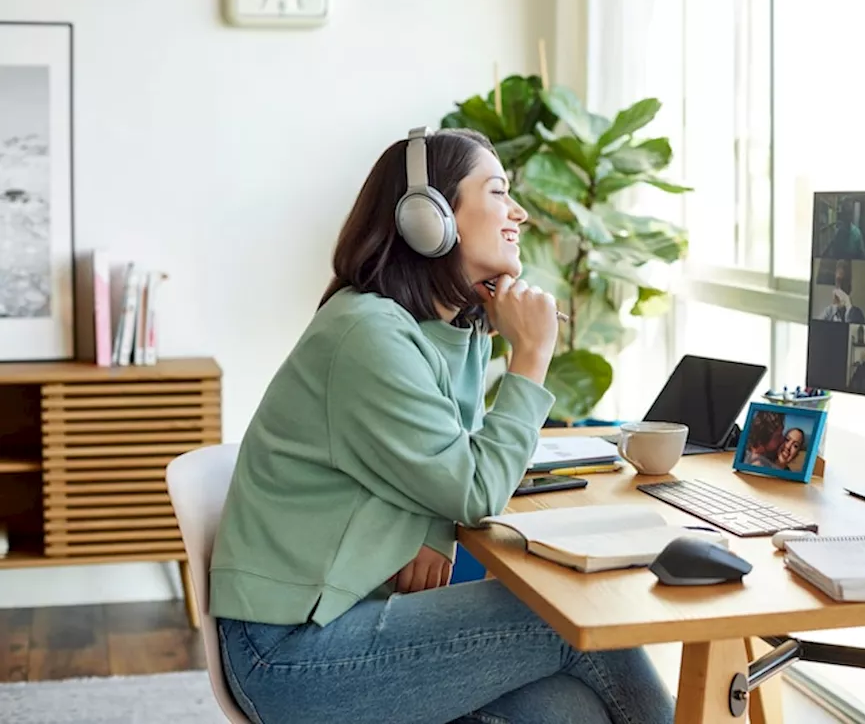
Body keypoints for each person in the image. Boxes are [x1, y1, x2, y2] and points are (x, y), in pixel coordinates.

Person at [208, 128, 674, 724]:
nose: (520, 213)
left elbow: (446, 458)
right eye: (499, 192)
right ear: (427, 218)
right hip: (289, 654)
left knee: (573, 710)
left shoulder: (444, 331)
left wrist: (434, 526)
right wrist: (531, 356)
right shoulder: (366, 334)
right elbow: (477, 490)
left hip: (352, 617)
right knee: (565, 613)